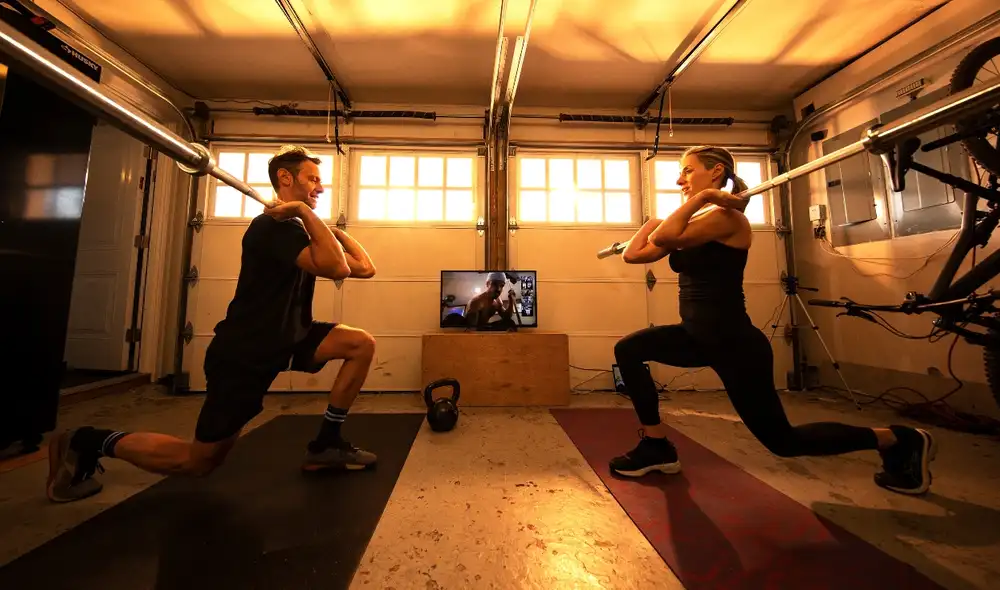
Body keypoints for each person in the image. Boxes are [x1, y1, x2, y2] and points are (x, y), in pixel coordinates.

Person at [46, 145, 380, 503]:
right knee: (199, 461)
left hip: (288, 338)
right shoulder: (270, 229)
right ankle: (85, 440)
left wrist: (326, 228)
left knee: (360, 344)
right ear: (286, 178)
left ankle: (327, 444)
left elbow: (364, 267)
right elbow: (337, 268)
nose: (320, 188)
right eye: (313, 179)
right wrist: (301, 211)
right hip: (245, 352)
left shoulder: (297, 230)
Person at [609, 145, 938, 496]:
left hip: (734, 344)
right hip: (697, 336)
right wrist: (650, 222)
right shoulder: (699, 222)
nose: (680, 179)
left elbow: (664, 239)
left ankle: (896, 439)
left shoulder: (727, 219)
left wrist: (703, 198)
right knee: (628, 350)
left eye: (688, 171)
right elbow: (636, 254)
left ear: (717, 171)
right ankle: (656, 446)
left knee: (783, 441)